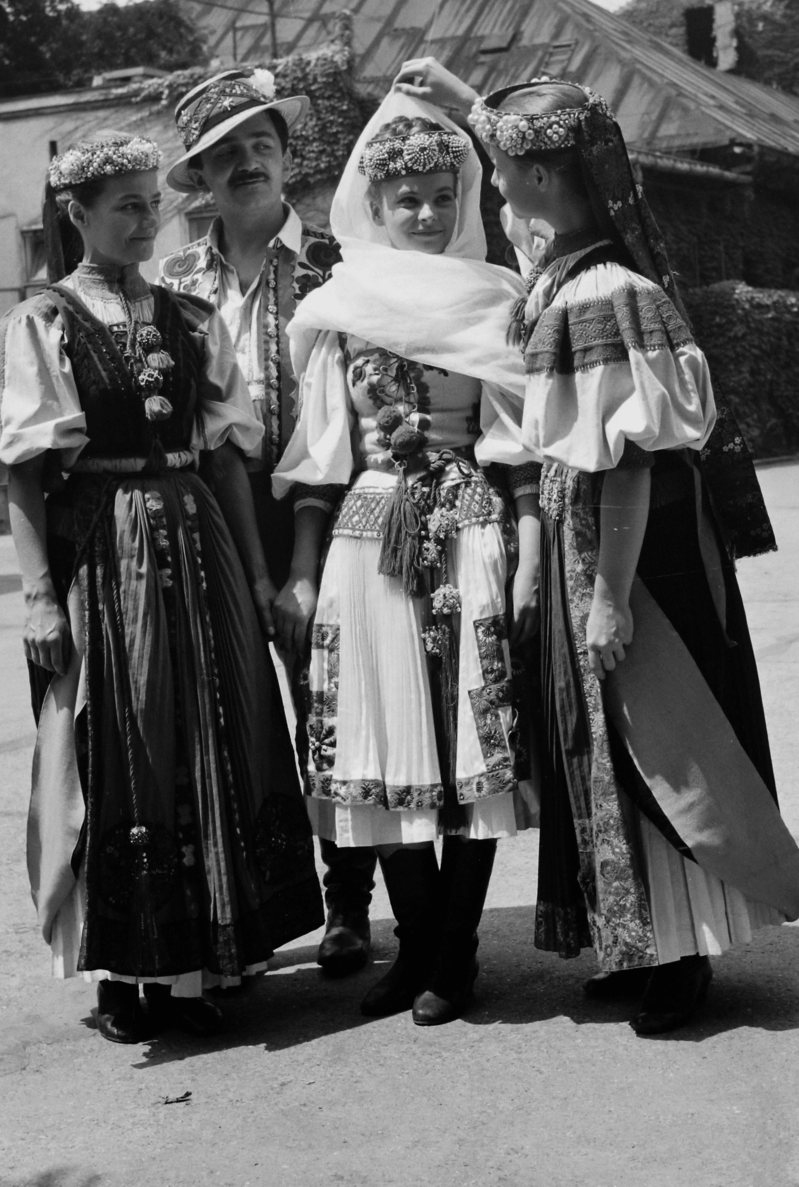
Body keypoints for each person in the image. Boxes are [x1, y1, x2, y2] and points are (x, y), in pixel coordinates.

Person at [399, 60, 799, 1036]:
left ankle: (683, 953)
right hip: (599, 542)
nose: (493, 194)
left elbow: (623, 464)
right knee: (606, 744)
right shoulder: (577, 276)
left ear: (540, 181)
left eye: (500, 177)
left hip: (638, 554)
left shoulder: (600, 294)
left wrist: (609, 595)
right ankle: (644, 939)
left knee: (654, 735)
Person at [0, 133, 322, 1044]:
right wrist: (38, 596)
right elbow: (22, 475)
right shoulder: (43, 322)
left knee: (212, 728)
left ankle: (209, 953)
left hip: (197, 538)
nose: (144, 220)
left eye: (149, 203)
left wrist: (252, 569)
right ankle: (130, 971)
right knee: (123, 740)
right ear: (76, 215)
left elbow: (229, 457)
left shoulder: (190, 317)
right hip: (104, 546)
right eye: (123, 206)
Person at [273, 91, 541, 1025]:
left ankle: (453, 952)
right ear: (374, 207)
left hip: (468, 522)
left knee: (472, 739)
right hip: (368, 529)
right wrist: (303, 573)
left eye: (439, 196)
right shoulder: (340, 303)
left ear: (460, 200)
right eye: (406, 201)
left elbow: (516, 441)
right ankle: (415, 942)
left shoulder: (495, 297)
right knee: (381, 739)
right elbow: (319, 456)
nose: (425, 216)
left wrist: (524, 551)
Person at [158, 68, 379, 977]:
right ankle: (240, 912)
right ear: (203, 179)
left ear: (289, 160)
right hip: (213, 519)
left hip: (326, 513)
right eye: (225, 155)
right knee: (225, 716)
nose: (246, 164)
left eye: (262, 146)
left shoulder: (337, 263)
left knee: (332, 709)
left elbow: (360, 415)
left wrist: (304, 560)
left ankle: (350, 903)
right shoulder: (171, 281)